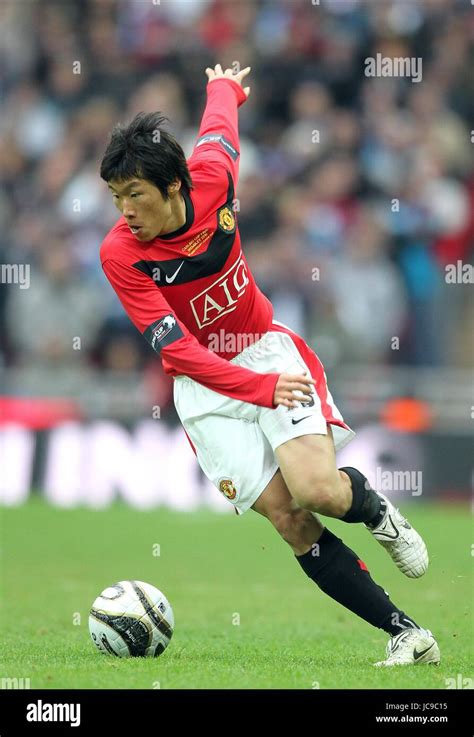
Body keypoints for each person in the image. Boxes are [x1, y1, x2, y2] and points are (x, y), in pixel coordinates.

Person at [99, 63, 440, 667]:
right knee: (289, 518)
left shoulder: (211, 178)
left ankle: (378, 512)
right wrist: (256, 391)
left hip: (268, 352)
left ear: (174, 187)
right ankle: (406, 633)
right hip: (206, 388)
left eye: (136, 195)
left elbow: (219, 131)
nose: (125, 211)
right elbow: (180, 353)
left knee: (318, 492)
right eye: (116, 197)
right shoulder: (122, 255)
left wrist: (224, 85)